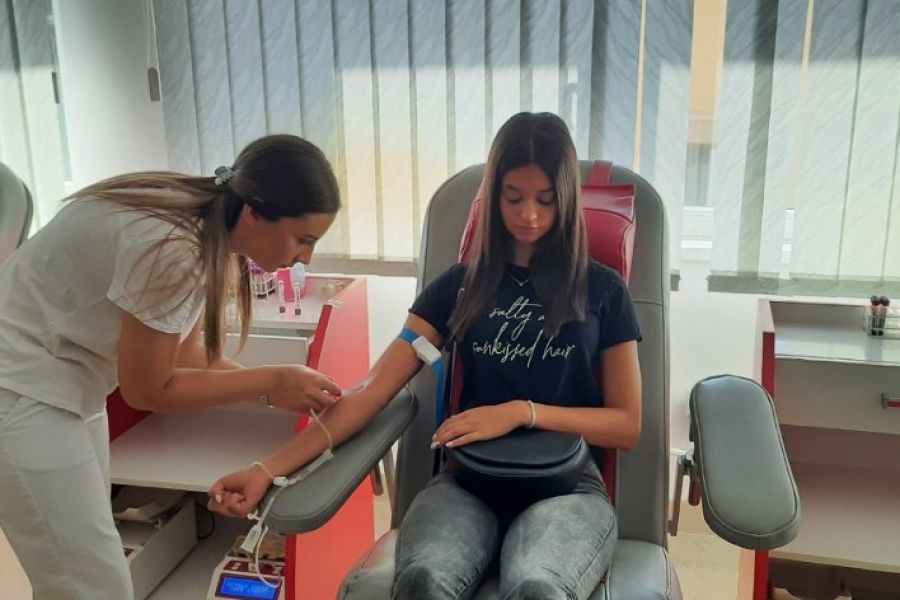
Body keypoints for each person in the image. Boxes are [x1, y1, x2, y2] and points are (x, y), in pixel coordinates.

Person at [209, 113, 642, 599]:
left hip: (568, 487)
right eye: (513, 197)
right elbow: (370, 392)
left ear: (567, 198)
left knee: (537, 587)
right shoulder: (459, 289)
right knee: (423, 581)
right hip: (468, 484)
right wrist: (267, 469)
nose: (530, 215)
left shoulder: (603, 291)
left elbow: (626, 424)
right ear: (493, 195)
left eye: (546, 200)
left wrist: (522, 412)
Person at [0, 134, 344, 599]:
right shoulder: (172, 248)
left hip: (67, 382)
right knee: (90, 584)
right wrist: (269, 383)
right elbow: (147, 390)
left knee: (83, 571)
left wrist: (276, 391)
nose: (305, 258)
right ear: (254, 213)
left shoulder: (202, 223)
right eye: (302, 240)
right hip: (20, 387)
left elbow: (182, 352)